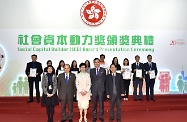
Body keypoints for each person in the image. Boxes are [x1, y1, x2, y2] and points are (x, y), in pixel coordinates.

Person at [90, 58, 106, 122]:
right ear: (94, 63)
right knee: (94, 103)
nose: (96, 63)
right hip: (94, 89)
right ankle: (94, 116)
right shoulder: (92, 70)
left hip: (101, 89)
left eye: (98, 62)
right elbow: (91, 79)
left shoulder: (103, 70)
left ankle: (101, 116)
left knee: (101, 103)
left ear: (99, 63)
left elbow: (104, 79)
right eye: (95, 62)